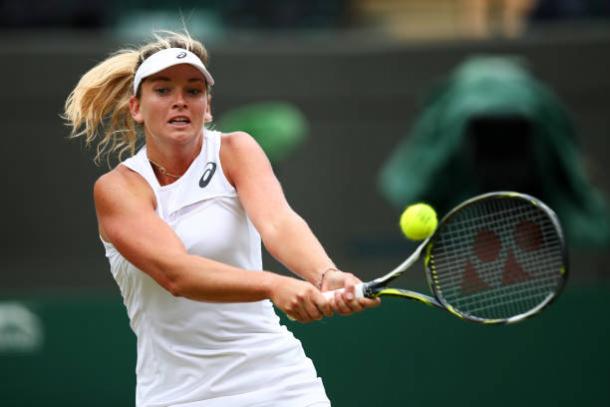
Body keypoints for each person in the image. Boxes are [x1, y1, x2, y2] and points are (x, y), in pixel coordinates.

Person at [64, 31, 379, 407]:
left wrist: (325, 275)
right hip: (179, 396)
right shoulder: (118, 189)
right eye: (162, 91)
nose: (180, 101)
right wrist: (273, 285)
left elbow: (278, 222)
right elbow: (176, 273)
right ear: (136, 107)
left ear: (208, 107)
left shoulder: (236, 149)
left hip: (280, 383)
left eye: (193, 91)